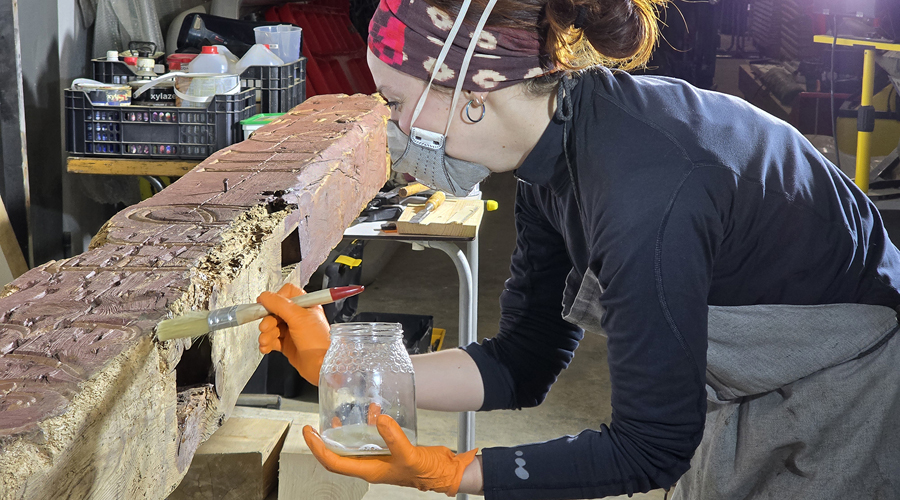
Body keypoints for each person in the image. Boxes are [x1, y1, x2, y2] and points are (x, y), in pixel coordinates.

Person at [255, 0, 900, 497]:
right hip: (750, 378)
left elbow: (653, 448)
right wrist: (348, 370)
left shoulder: (645, 189)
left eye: (396, 102)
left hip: (848, 382)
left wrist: (451, 470)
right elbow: (526, 361)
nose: (393, 128)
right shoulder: (556, 150)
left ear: (470, 97)